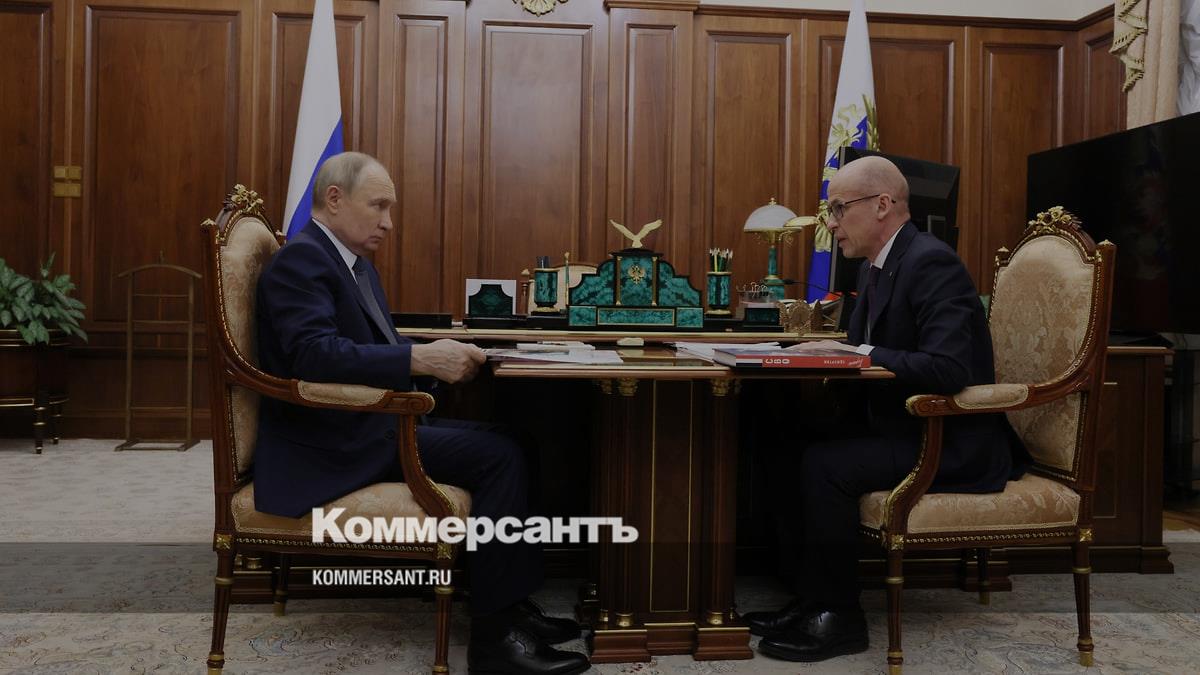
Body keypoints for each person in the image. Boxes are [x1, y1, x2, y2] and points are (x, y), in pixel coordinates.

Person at [254, 151, 589, 675]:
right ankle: (496, 643)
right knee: (500, 456)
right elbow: (313, 356)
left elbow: (369, 345)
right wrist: (420, 359)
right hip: (333, 441)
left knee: (518, 441)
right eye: (378, 206)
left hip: (369, 423)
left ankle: (512, 607)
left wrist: (436, 352)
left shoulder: (350, 262)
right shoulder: (303, 260)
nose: (389, 222)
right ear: (335, 199)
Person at [746, 156, 1029, 663]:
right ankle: (810, 598)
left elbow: (948, 368)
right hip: (898, 426)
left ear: (882, 205)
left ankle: (840, 619)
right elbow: (871, 352)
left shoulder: (932, 262)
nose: (830, 223)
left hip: (950, 440)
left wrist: (857, 352)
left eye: (838, 208)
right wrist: (828, 353)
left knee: (825, 465)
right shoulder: (876, 268)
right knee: (783, 439)